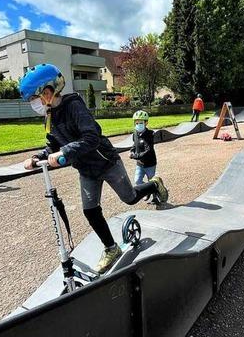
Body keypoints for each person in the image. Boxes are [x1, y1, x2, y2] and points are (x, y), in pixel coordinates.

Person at [20, 64, 169, 274]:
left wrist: (65, 153)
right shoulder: (49, 115)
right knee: (90, 210)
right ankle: (111, 248)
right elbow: (52, 144)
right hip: (86, 169)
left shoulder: (74, 106)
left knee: (130, 197)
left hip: (106, 162)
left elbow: (90, 138)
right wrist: (37, 157)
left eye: (33, 99)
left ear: (47, 92)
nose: (32, 104)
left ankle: (154, 184)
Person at [129, 110, 157, 203]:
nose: (138, 124)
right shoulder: (135, 133)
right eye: (136, 122)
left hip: (150, 163)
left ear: (146, 123)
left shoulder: (150, 135)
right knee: (137, 181)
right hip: (140, 164)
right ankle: (147, 190)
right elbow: (135, 144)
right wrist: (132, 150)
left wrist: (135, 156)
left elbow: (148, 150)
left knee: (151, 181)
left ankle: (155, 198)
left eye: (141, 123)